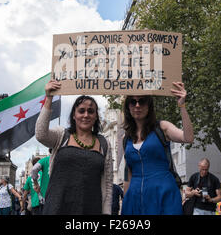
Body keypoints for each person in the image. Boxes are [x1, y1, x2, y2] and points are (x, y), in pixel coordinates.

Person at [35, 79, 113, 215]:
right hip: (57, 207)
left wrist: (106, 213)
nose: (86, 115)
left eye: (91, 111)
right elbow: (41, 134)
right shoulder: (61, 136)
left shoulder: (104, 143)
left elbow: (108, 184)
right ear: (74, 115)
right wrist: (49, 97)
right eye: (81, 111)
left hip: (91, 209)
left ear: (96, 116)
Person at [121, 82, 195, 215]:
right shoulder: (125, 139)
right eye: (132, 102)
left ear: (149, 106)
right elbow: (128, 174)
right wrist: (126, 201)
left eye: (142, 101)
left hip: (163, 193)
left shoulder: (162, 127)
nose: (137, 105)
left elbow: (188, 138)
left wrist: (182, 105)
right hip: (135, 197)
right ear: (128, 107)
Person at [31, 150, 52, 215]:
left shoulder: (45, 160)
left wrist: (35, 183)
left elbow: (34, 169)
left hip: (45, 197)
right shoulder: (62, 159)